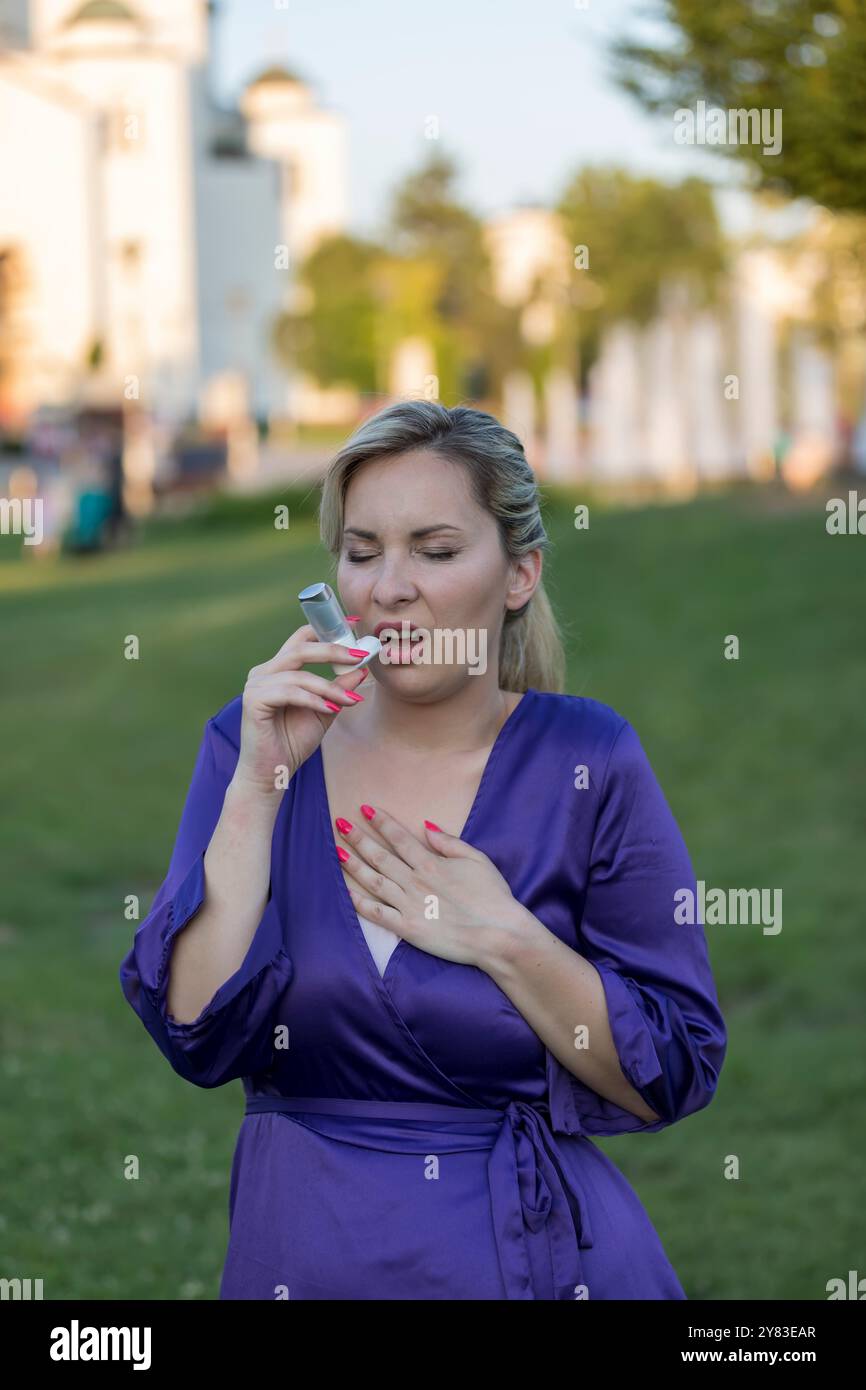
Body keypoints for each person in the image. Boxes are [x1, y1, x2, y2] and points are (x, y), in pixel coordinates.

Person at [119, 400, 727, 1300]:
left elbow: (668, 1070)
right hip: (304, 1258)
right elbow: (196, 1032)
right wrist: (256, 788)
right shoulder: (252, 745)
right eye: (361, 552)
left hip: (526, 1264)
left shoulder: (588, 759)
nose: (387, 587)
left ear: (519, 573)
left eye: (435, 551)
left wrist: (507, 938)